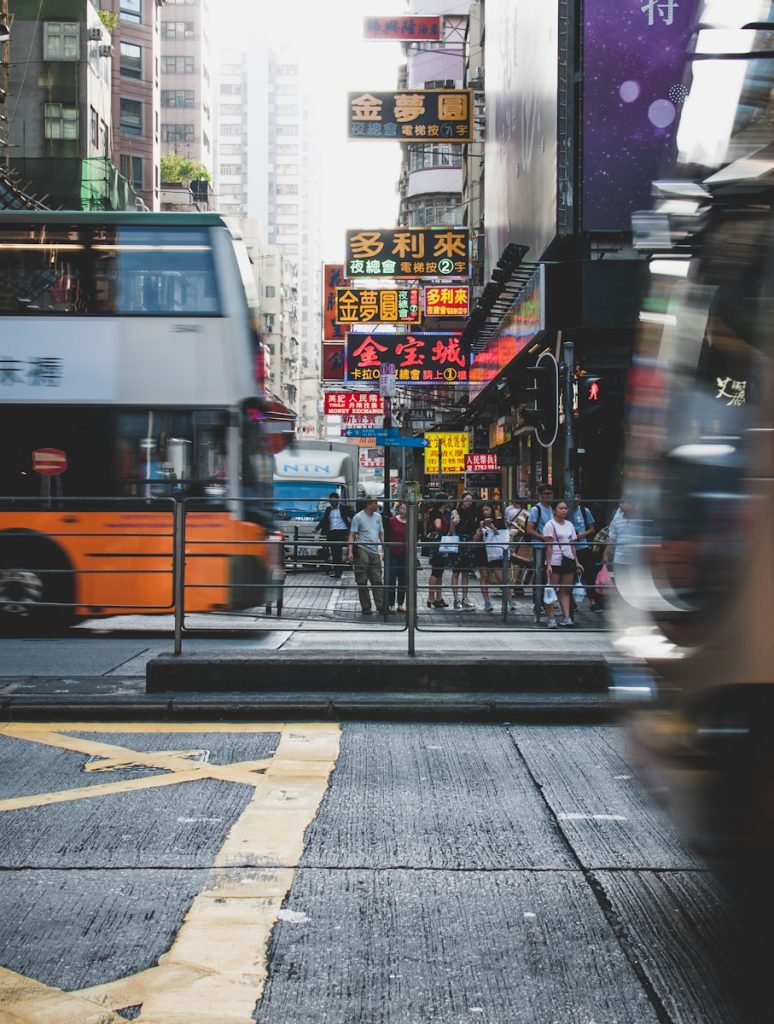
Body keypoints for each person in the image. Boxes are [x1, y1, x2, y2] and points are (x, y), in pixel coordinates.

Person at [543, 499, 581, 628]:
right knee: (551, 589)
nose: (564, 510)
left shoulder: (569, 525)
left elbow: (572, 545)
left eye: (565, 508)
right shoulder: (550, 525)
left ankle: (566, 617)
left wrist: (577, 562)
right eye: (561, 508)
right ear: (554, 510)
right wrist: (548, 564)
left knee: (565, 590)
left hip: (568, 559)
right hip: (555, 560)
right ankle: (551, 618)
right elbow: (548, 546)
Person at [347, 498, 384, 614]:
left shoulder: (378, 517)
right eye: (375, 503)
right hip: (362, 549)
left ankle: (380, 605)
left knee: (377, 579)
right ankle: (366, 606)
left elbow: (381, 533)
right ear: (368, 505)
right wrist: (350, 551)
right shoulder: (358, 517)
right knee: (362, 579)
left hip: (375, 550)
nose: (377, 505)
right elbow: (352, 535)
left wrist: (383, 547)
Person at [525, 484, 555, 617]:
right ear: (540, 495)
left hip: (551, 547)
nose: (549, 496)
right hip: (539, 547)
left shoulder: (553, 509)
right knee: (539, 576)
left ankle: (546, 603)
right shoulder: (536, 510)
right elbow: (529, 529)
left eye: (550, 493)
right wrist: (543, 538)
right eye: (546, 493)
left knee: (549, 576)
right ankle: (538, 604)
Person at [474, 502, 508, 612]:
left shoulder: (499, 521)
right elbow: (475, 539)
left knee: (500, 577)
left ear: (492, 510)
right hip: (482, 551)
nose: (485, 512)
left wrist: (492, 526)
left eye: (487, 509)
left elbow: (502, 537)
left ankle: (508, 600)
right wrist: (480, 528)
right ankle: (487, 602)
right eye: (483, 510)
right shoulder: (478, 522)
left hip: (495, 551)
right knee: (484, 576)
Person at [450, 491, 480, 609]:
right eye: (466, 499)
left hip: (469, 541)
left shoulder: (474, 513)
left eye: (470, 500)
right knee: (456, 571)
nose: (468, 502)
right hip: (458, 540)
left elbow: (474, 529)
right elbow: (451, 531)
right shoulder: (456, 512)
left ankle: (465, 598)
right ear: (462, 500)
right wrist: (453, 523)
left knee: (466, 572)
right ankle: (456, 599)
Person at [315, 491, 354, 578]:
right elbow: (324, 520)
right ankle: (336, 570)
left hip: (341, 532)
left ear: (338, 501)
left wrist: (353, 528)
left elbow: (353, 516)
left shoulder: (344, 508)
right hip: (332, 532)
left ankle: (338, 571)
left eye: (334, 501)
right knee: (333, 552)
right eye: (331, 501)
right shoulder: (328, 509)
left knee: (338, 552)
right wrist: (316, 529)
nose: (332, 503)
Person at [571, 492, 599, 611]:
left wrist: (582, 534)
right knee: (570, 576)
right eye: (574, 496)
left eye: (578, 496)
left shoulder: (584, 511)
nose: (576, 499)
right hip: (569, 549)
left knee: (589, 574)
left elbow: (592, 528)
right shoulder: (564, 511)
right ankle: (572, 602)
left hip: (583, 546)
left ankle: (592, 601)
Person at [424, 498, 450, 608]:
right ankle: (431, 597)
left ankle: (438, 597)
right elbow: (438, 525)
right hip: (438, 543)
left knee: (439, 571)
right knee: (436, 571)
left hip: (437, 543)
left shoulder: (435, 512)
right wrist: (444, 531)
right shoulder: (437, 514)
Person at [386, 500, 409, 613]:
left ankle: (400, 604)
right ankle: (391, 604)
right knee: (392, 578)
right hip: (393, 553)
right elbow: (387, 536)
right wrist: (384, 552)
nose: (403, 510)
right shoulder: (392, 520)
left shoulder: (411, 522)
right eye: (401, 508)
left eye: (405, 509)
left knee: (403, 579)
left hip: (405, 554)